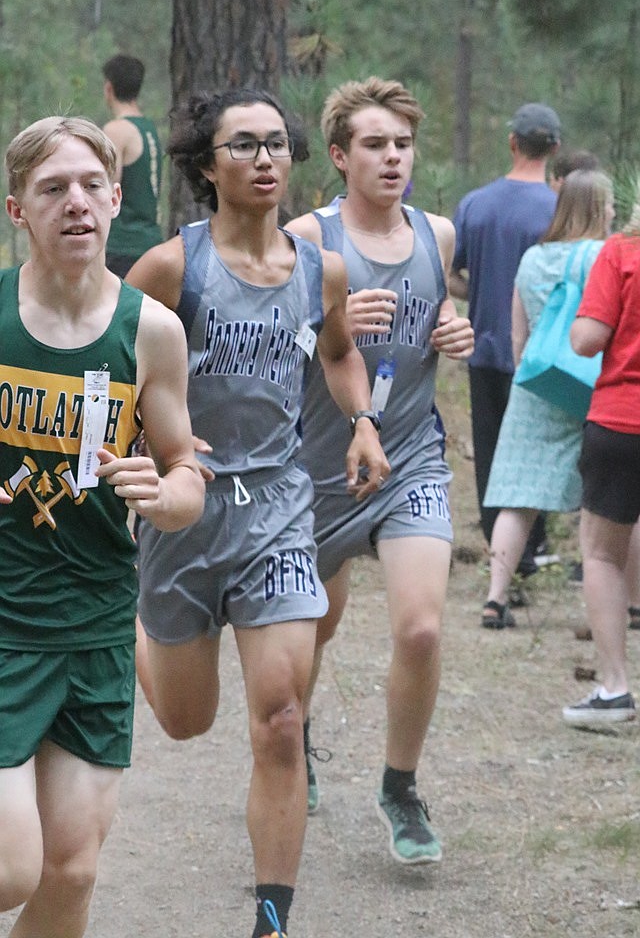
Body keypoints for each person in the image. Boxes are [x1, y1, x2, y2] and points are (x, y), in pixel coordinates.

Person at [127, 88, 389, 938]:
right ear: (209, 165)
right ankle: (138, 626)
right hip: (184, 511)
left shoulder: (324, 270)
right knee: (185, 718)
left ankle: (273, 918)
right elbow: (107, 359)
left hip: (279, 503)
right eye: (245, 145)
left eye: (278, 143)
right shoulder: (172, 268)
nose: (267, 158)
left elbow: (341, 352)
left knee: (280, 715)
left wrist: (359, 422)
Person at [0, 116, 204, 937]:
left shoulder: (150, 330)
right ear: (18, 209)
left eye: (91, 186)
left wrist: (162, 492)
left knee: (73, 869)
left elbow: (187, 472)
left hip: (95, 621)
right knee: (12, 866)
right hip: (4, 619)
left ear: (118, 199)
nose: (75, 203)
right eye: (53, 189)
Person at [285, 77, 474, 864]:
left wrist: (453, 331)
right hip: (316, 470)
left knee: (422, 627)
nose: (392, 157)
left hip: (408, 459)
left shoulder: (440, 232)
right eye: (374, 144)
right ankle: (290, 741)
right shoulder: (306, 235)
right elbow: (266, 342)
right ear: (339, 156)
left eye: (401, 144)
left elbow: (437, 315)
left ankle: (400, 787)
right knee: (315, 630)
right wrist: (324, 324)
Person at [480, 169, 614, 629]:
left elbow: (520, 334)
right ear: (599, 208)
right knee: (612, 499)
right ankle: (629, 603)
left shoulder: (533, 258)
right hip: (595, 387)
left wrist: (531, 376)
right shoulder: (605, 255)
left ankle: (496, 598)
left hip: (536, 385)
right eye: (610, 204)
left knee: (518, 497)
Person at [450, 103, 560, 572]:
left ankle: (499, 551)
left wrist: (484, 295)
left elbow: (452, 278)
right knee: (536, 453)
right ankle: (531, 550)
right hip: (541, 355)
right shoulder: (560, 210)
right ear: (553, 149)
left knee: (491, 453)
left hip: (484, 349)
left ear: (512, 143)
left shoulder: (475, 204)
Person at [562, 201, 640, 726]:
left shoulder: (622, 252)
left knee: (603, 554)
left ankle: (614, 688)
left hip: (622, 422)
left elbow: (587, 339)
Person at [102, 54, 163, 277]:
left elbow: (105, 187)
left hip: (123, 247)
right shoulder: (149, 128)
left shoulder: (116, 130)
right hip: (152, 241)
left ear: (109, 88)